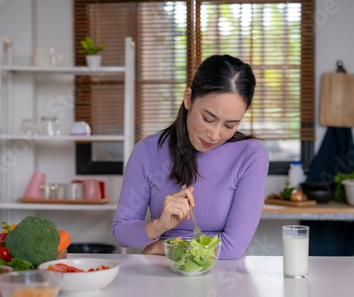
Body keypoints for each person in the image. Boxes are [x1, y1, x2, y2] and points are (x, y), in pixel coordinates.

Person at [112, 54, 269, 260]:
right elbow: (121, 232)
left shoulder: (251, 157)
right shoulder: (147, 152)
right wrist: (158, 226)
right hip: (163, 276)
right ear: (188, 99)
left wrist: (161, 246)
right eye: (207, 119)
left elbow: (233, 248)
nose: (214, 134)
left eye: (230, 125)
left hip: (223, 279)